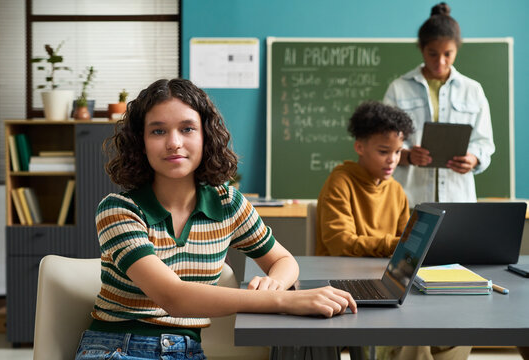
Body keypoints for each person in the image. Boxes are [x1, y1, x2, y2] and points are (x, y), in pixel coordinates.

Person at [74, 78, 356, 360]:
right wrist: (283, 300)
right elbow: (173, 297)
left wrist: (275, 285)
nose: (174, 143)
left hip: (187, 351)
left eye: (187, 129)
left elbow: (284, 261)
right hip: (118, 348)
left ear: (205, 135)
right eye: (158, 131)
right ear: (141, 142)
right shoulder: (119, 210)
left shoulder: (227, 204)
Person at [383, 2, 495, 208]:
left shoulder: (473, 90)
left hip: (458, 200)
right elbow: (384, 140)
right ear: (422, 49)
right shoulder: (399, 88)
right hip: (409, 201)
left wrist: (474, 159)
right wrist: (407, 155)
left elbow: (485, 143)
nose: (440, 62)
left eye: (448, 54)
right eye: (433, 54)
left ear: (456, 50)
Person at [315, 100, 413, 258]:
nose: (392, 160)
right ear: (359, 147)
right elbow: (340, 244)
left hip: (381, 274)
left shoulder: (396, 190)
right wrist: (396, 245)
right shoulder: (341, 182)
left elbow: (408, 244)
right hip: (339, 274)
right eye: (383, 152)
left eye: (398, 152)